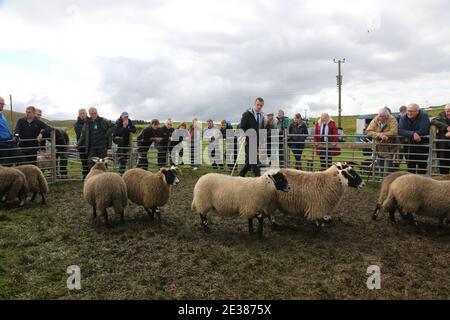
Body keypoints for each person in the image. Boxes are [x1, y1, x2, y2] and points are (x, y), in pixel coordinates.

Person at [398, 103, 430, 174]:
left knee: (422, 166)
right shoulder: (403, 117)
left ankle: (421, 184)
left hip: (422, 145)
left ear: (417, 111)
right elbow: (400, 130)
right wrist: (413, 134)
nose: (409, 113)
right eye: (408, 111)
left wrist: (409, 135)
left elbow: (424, 129)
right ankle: (411, 183)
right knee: (410, 166)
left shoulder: (424, 116)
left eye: (412, 111)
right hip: (409, 146)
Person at [366, 108, 399, 177]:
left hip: (389, 147)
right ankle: (382, 181)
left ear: (387, 116)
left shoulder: (392, 120)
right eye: (379, 116)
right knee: (380, 166)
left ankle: (386, 182)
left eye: (382, 116)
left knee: (387, 168)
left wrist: (384, 135)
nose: (380, 118)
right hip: (378, 147)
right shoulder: (375, 120)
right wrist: (380, 135)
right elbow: (369, 131)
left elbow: (394, 132)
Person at [239, 97, 264, 177]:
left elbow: (259, 129)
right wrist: (243, 136)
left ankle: (241, 175)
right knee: (253, 159)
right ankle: (258, 177)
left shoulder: (261, 115)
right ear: (254, 104)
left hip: (256, 141)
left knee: (250, 160)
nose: (259, 107)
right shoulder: (247, 114)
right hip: (247, 140)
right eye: (258, 105)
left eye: (261, 105)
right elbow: (241, 127)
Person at [0, 96, 21, 165]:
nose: (2, 105)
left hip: (9, 142)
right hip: (2, 143)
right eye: (0, 103)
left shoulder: (2, 115)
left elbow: (5, 129)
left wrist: (12, 136)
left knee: (18, 156)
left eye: (3, 104)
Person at [431, 104, 450, 174]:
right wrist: (446, 127)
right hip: (443, 146)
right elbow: (433, 121)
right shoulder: (441, 117)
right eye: (447, 111)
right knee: (443, 167)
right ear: (445, 111)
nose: (449, 113)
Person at [74, 108, 89, 178]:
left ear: (86, 114)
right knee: (84, 162)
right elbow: (82, 133)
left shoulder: (90, 121)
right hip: (81, 146)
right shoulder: (77, 124)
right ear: (79, 115)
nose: (82, 115)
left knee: (90, 161)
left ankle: (91, 176)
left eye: (84, 113)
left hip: (90, 146)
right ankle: (85, 176)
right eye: (81, 113)